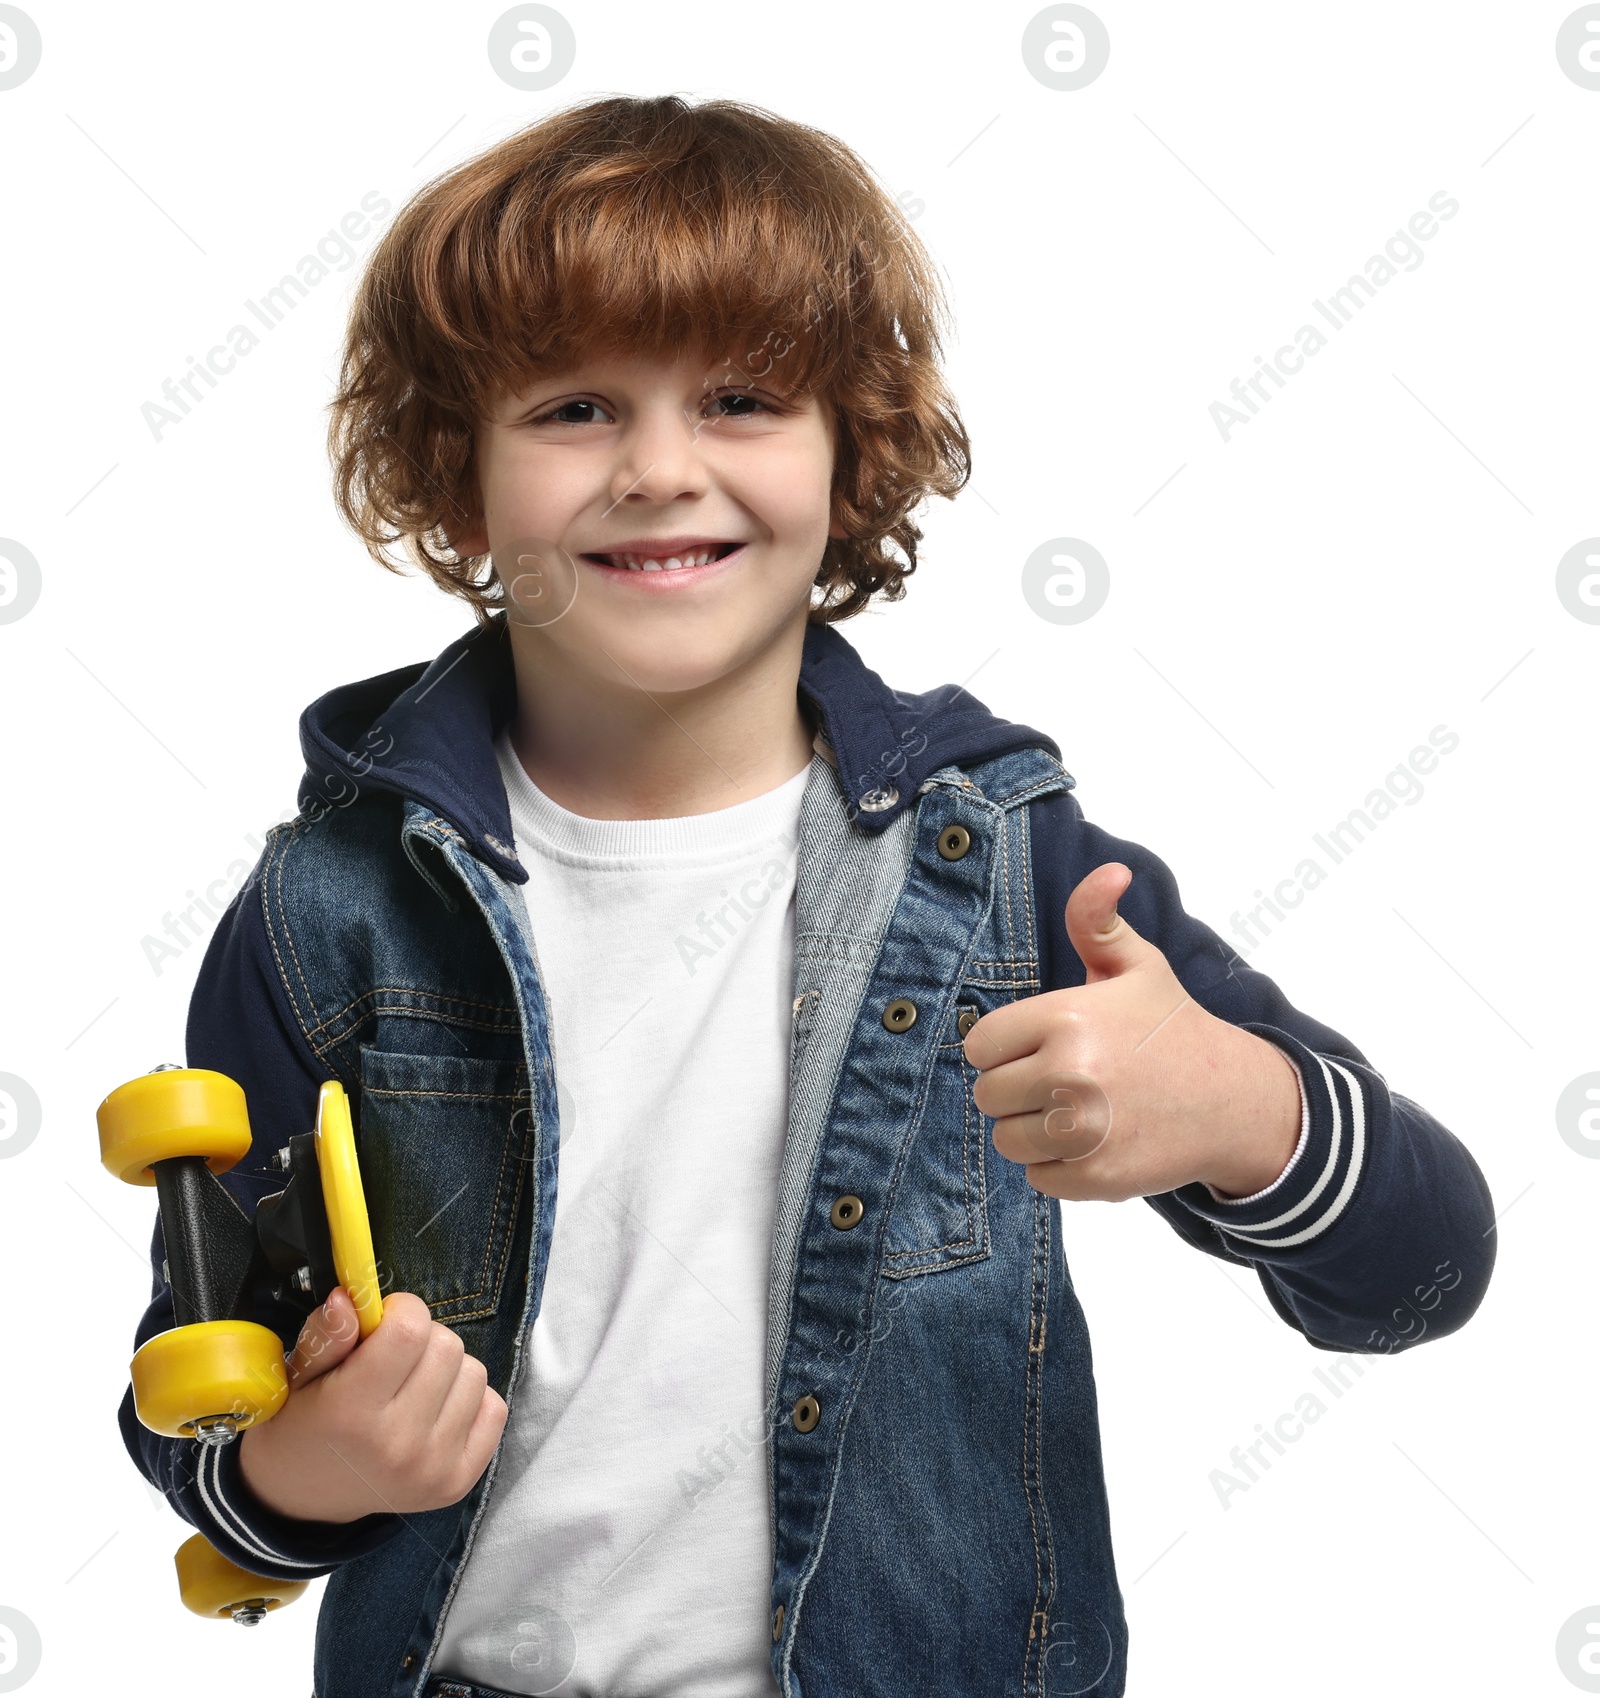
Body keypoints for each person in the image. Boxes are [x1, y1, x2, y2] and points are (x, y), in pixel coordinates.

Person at [119, 93, 1496, 1698]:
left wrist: (1248, 1110)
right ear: (458, 471)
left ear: (852, 454)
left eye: (742, 396)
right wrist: (312, 1471)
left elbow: (1425, 1268)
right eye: (572, 406)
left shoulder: (1008, 863)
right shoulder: (326, 911)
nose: (658, 468)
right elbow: (193, 1413)